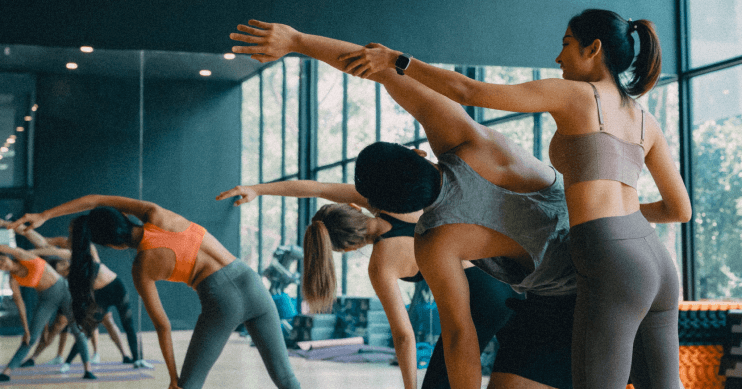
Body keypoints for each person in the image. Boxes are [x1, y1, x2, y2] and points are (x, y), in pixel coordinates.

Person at [339, 8, 693, 389]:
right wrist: (614, 215)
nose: (558, 57)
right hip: (657, 259)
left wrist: (399, 60)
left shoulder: (574, 94)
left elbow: (469, 91)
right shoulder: (644, 117)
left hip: (611, 258)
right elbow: (679, 210)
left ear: (594, 49)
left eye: (566, 45)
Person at [230, 20, 577, 389]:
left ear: (376, 205)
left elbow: (460, 335)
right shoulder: (470, 140)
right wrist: (298, 40)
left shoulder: (436, 242)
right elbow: (379, 70)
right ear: (417, 152)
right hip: (598, 255)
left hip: (562, 303)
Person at [217, 181, 520, 389]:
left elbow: (403, 336)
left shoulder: (381, 264)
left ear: (345, 249)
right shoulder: (391, 203)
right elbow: (317, 188)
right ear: (352, 207)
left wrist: (410, 386)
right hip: (506, 278)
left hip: (473, 304)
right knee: (519, 372)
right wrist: (258, 189)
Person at [8, 195, 302, 389]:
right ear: (124, 217)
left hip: (220, 301)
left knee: (188, 387)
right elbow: (97, 199)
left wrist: (174, 378)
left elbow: (162, 326)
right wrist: (45, 214)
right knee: (286, 378)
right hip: (250, 282)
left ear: (111, 245)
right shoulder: (156, 213)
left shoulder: (141, 268)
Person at [4, 222, 148, 369]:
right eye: (71, 232)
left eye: (74, 232)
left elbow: (93, 268)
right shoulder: (62, 245)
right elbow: (43, 243)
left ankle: (123, 355)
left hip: (95, 289)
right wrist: (14, 228)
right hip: (72, 289)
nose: (72, 235)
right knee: (63, 325)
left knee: (106, 322)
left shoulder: (84, 251)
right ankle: (46, 358)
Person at [0, 244, 96, 381]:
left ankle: (88, 370)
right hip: (46, 300)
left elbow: (6, 248)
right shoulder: (13, 280)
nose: (2, 265)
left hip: (65, 291)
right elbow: (20, 305)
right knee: (31, 338)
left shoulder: (23, 256)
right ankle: (6, 372)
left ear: (8, 257)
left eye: (2, 260)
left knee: (78, 330)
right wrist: (26, 330)